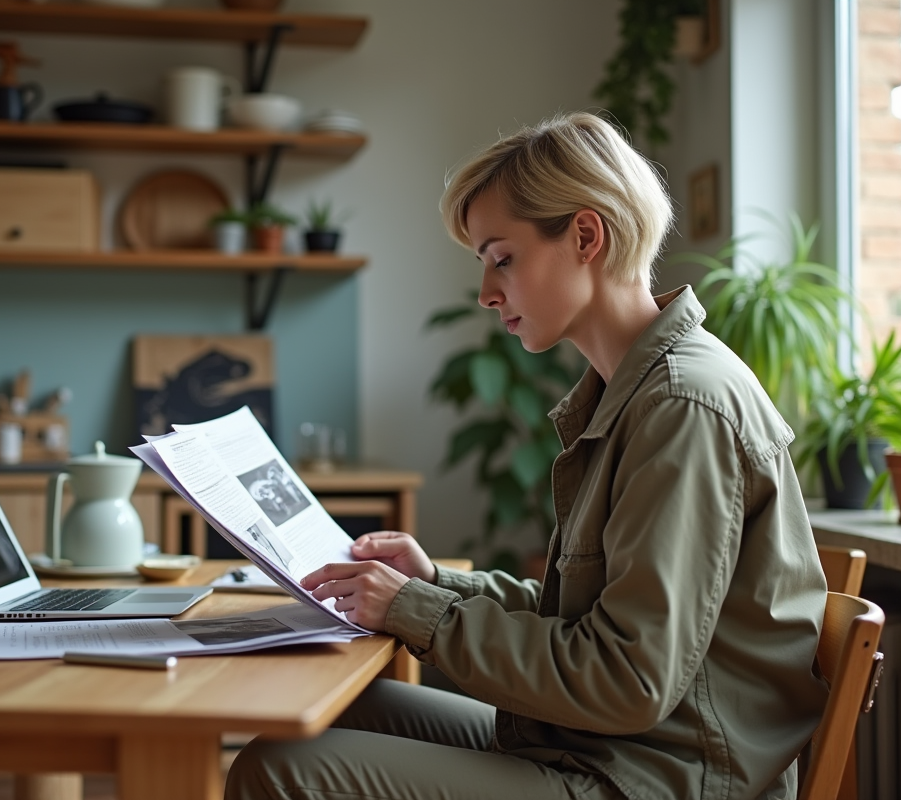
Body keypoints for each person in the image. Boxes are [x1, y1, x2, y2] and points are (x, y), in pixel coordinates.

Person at [224, 111, 828, 800]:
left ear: (585, 235)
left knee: (282, 771)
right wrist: (434, 588)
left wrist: (414, 611)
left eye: (502, 257)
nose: (486, 293)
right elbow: (589, 619)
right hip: (606, 748)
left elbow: (627, 679)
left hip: (656, 777)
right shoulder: (632, 395)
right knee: (325, 716)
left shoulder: (683, 407)